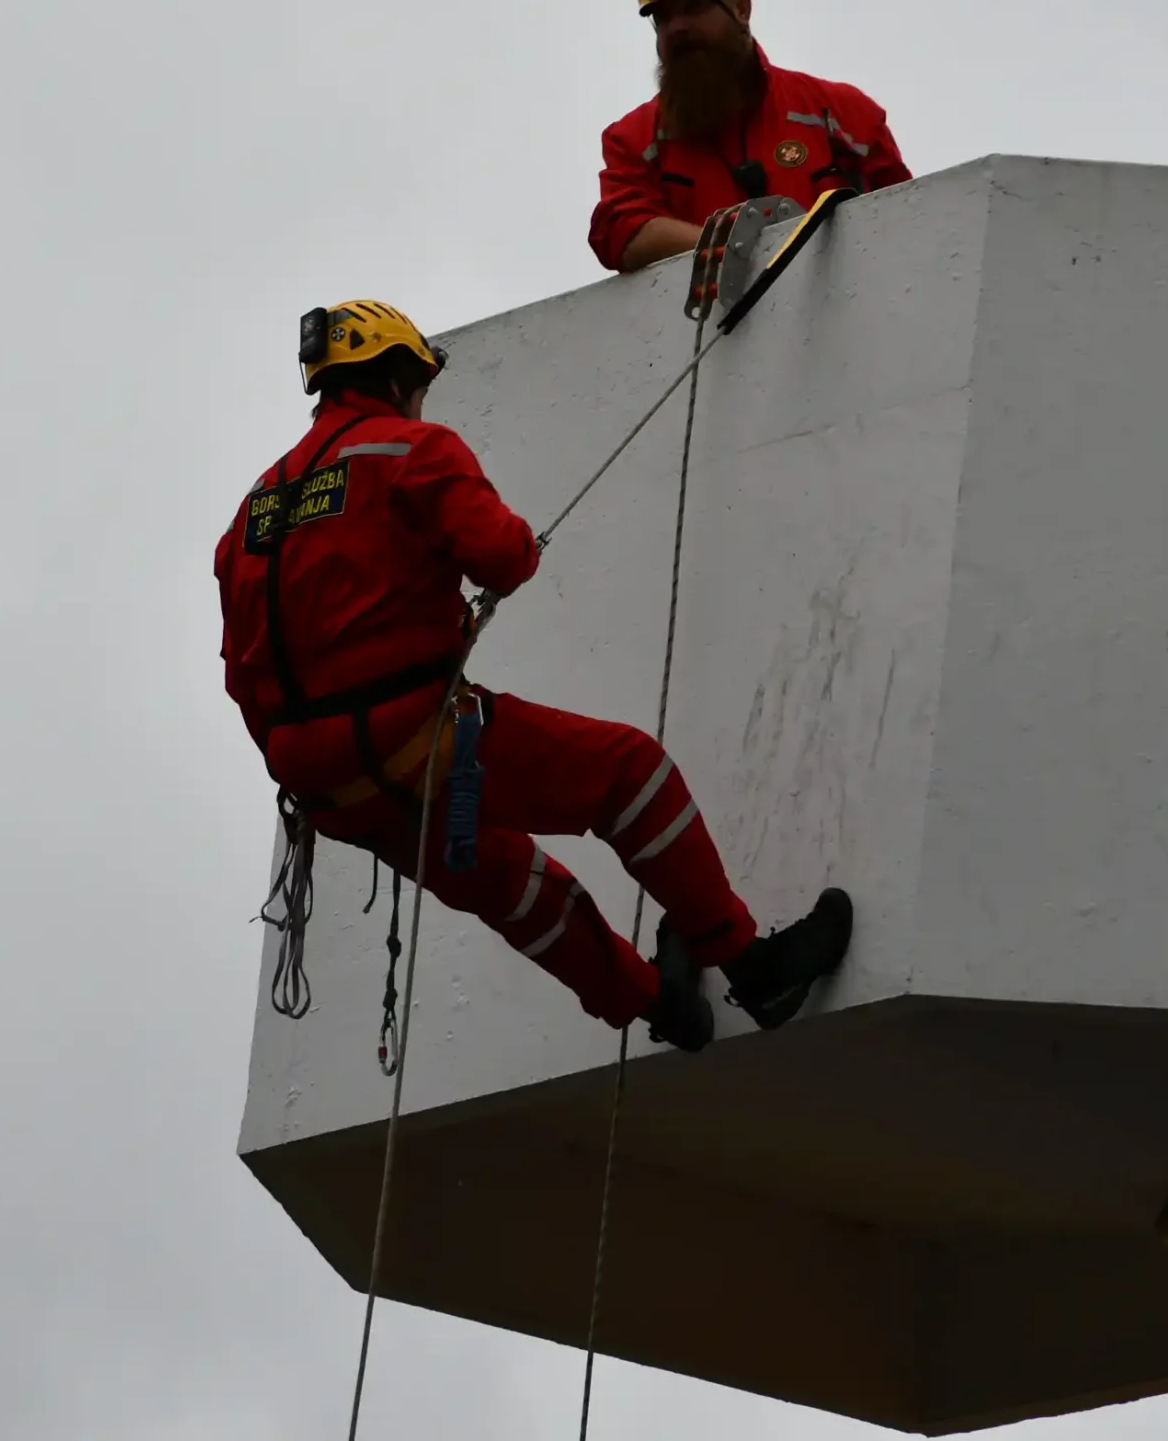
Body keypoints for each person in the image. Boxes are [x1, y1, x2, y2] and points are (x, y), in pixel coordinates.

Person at [215, 299, 853, 1050]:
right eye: (418, 381)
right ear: (393, 378)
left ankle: (664, 1008)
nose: (423, 398)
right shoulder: (412, 449)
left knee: (512, 883)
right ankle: (750, 964)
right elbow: (504, 557)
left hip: (330, 794)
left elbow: (240, 671)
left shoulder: (252, 511)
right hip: (415, 743)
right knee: (627, 773)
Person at [588, 0, 913, 273]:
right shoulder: (633, 140)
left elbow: (913, 221)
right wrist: (740, 251)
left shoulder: (845, 115)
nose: (676, 28)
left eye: (694, 6)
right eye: (663, 17)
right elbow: (620, 231)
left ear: (742, 9)